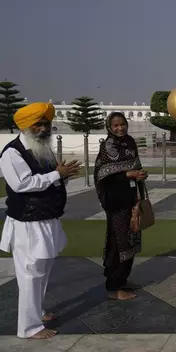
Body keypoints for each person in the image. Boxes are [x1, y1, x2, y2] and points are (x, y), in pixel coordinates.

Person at [0, 102, 81, 339]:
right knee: (30, 274)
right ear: (26, 127)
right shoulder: (12, 153)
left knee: (43, 271)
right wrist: (57, 174)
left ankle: (38, 312)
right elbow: (22, 184)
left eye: (47, 123)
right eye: (39, 124)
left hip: (46, 218)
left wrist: (61, 176)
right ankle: (29, 327)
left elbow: (49, 179)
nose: (45, 128)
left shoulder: (42, 149)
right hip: (27, 223)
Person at [94, 112, 147, 301]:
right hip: (115, 202)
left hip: (130, 197)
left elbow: (135, 165)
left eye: (123, 124)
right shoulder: (107, 147)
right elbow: (102, 176)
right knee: (118, 242)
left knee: (131, 238)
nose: (120, 128)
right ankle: (113, 286)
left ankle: (122, 279)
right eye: (116, 125)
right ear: (109, 127)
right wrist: (127, 175)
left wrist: (139, 176)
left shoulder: (130, 142)